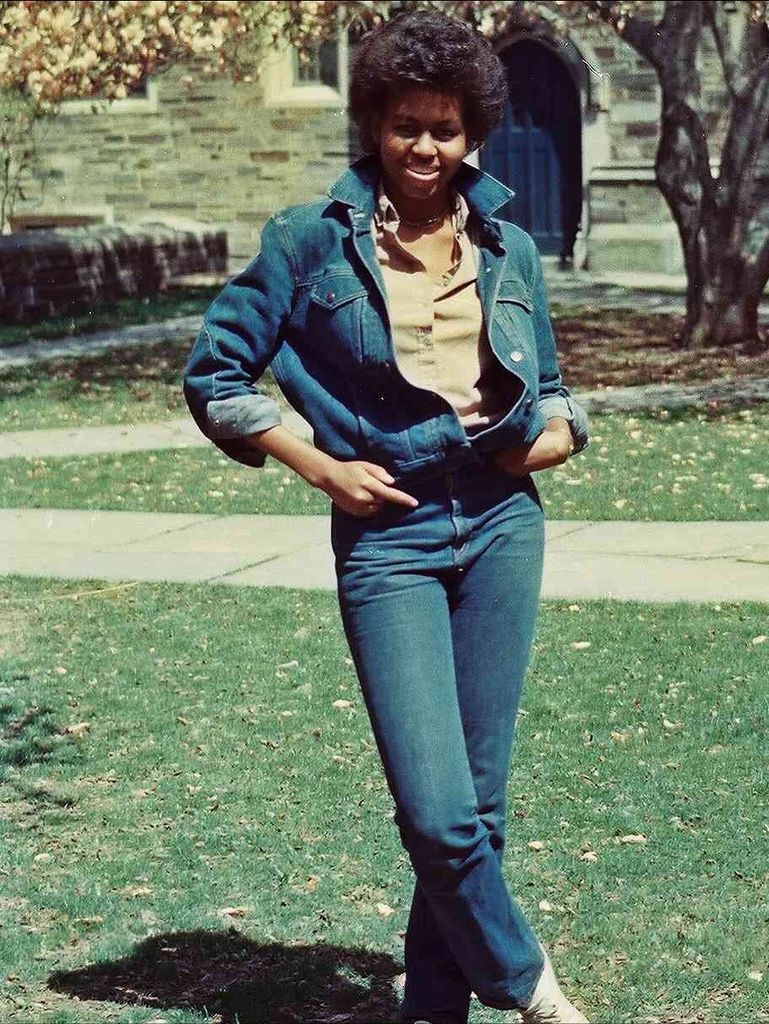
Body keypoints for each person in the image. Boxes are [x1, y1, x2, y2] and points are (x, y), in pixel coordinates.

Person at [183, 10, 590, 1023]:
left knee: (479, 807)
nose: (423, 147)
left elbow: (560, 395)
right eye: (406, 125)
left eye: (444, 128)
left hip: (502, 523)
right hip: (389, 538)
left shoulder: (507, 243)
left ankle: (433, 1009)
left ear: (472, 134)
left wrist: (548, 439)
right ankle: (529, 985)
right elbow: (216, 375)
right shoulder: (306, 239)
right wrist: (322, 468)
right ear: (374, 122)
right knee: (438, 812)